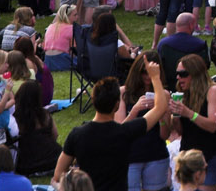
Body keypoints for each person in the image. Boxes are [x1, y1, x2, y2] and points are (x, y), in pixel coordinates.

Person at [53, 63, 171, 191]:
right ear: (117, 105)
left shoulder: (76, 135)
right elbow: (160, 108)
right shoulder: (125, 132)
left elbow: (58, 175)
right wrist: (155, 77)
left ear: (93, 100)